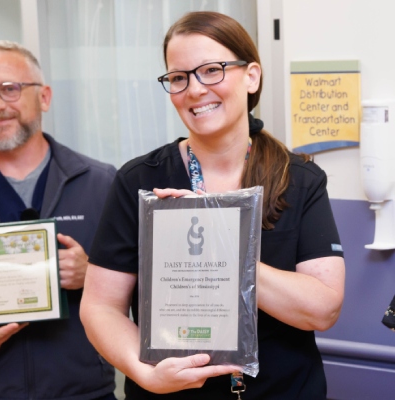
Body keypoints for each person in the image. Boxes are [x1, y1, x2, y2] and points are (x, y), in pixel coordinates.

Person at [80, 11, 345, 400]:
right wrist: (144, 373)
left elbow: (321, 310)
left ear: (251, 75)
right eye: (178, 77)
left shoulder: (300, 179)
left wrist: (223, 247)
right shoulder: (138, 180)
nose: (194, 89)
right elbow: (101, 308)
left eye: (211, 70)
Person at [0, 40, 117, 399]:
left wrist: (91, 274)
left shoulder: (102, 183)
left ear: (44, 97)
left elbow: (146, 294)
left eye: (10, 89)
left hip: (85, 392)